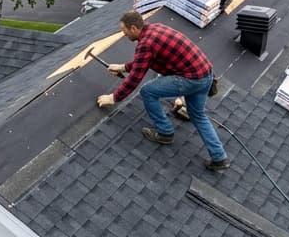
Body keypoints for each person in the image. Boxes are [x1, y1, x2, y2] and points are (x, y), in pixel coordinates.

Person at [96, 11, 230, 171]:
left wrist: (114, 98)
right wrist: (123, 67)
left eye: (124, 31)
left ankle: (165, 132)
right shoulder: (155, 28)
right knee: (198, 116)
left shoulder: (145, 44)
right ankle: (219, 157)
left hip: (189, 79)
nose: (123, 34)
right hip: (205, 75)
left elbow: (135, 79)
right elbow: (143, 61)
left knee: (147, 91)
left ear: (133, 28)